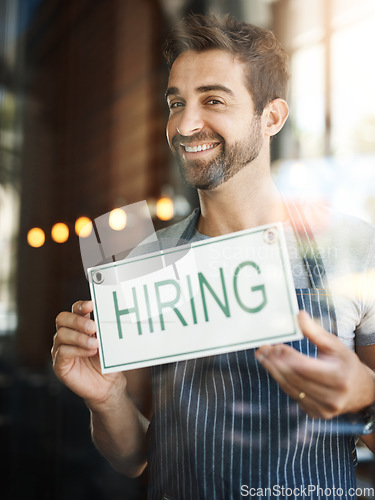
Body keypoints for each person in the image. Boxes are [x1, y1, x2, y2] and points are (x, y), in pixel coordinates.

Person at [52, 14, 375, 499]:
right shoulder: (144, 260)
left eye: (213, 100)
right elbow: (135, 456)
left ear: (272, 117)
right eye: (176, 102)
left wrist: (365, 400)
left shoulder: (353, 248)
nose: (185, 123)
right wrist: (107, 399)